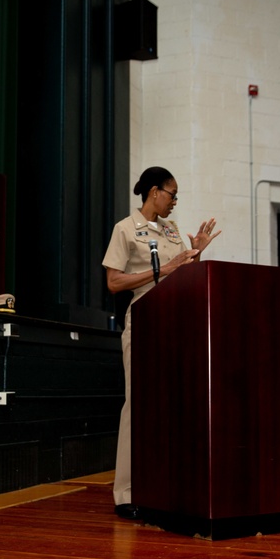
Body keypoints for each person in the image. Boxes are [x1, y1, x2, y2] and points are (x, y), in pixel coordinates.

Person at [101, 167, 220, 520]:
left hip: (176, 324)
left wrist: (194, 252)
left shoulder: (169, 230)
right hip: (145, 322)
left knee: (174, 405)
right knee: (138, 405)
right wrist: (162, 271)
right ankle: (126, 492)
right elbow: (114, 282)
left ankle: (165, 485)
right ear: (154, 192)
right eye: (172, 194)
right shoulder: (125, 229)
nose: (174, 201)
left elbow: (181, 271)